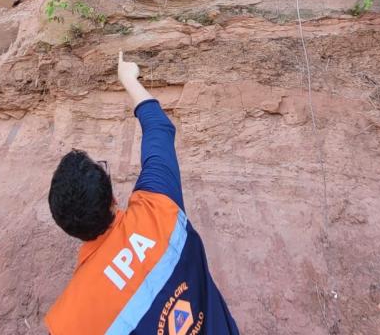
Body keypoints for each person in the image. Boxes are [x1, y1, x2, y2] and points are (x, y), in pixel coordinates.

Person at [45, 52, 239, 334]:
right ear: (111, 198)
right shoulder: (158, 208)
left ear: (67, 228)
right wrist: (128, 79)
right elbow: (159, 127)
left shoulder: (69, 320)